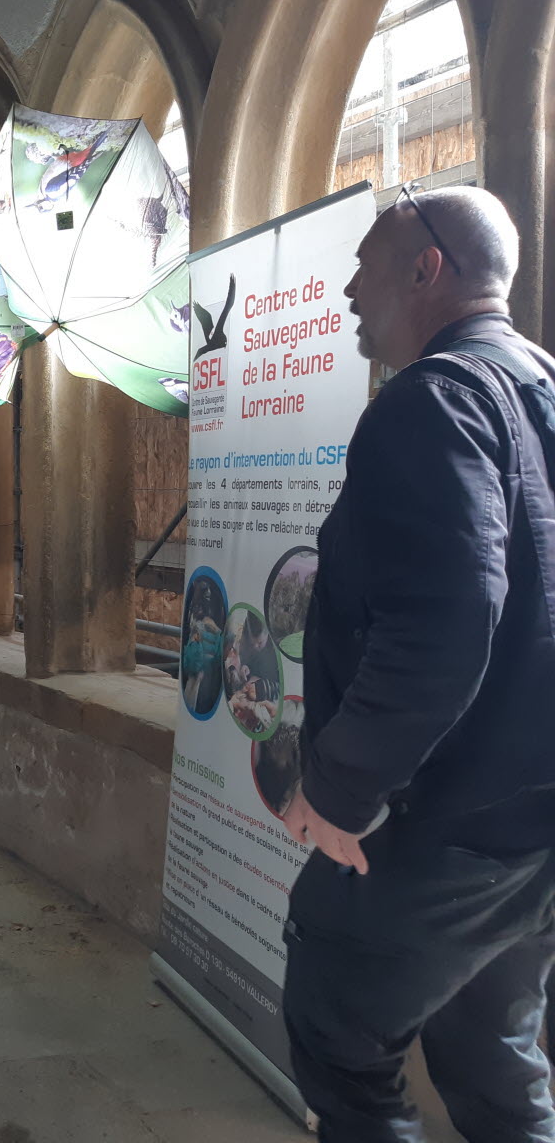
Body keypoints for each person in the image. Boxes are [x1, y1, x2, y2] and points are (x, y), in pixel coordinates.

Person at [281, 186, 555, 1141]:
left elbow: (447, 619)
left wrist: (340, 789)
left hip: (445, 828)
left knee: (337, 1043)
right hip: (532, 831)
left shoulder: (432, 403)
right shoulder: (542, 390)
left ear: (425, 268)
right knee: (494, 1063)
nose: (350, 287)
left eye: (366, 262)